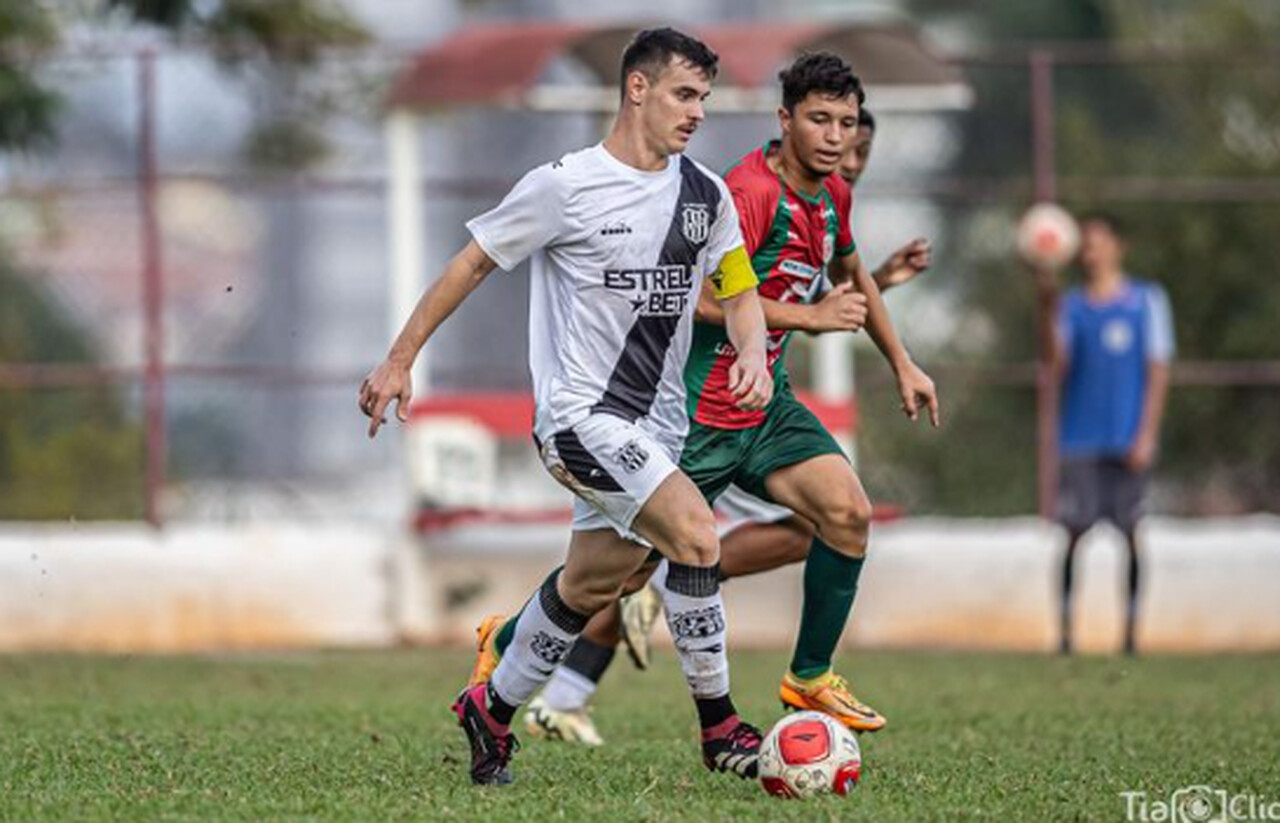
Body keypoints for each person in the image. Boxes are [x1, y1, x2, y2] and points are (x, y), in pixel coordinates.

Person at [359, 27, 774, 785]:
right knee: (695, 532)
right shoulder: (564, 184)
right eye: (684, 94)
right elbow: (471, 262)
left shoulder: (707, 196)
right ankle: (720, 729)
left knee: (591, 584)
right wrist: (399, 357)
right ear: (637, 89)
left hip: (657, 429)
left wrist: (751, 351)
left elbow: (739, 289)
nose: (697, 113)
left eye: (705, 99)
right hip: (579, 419)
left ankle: (489, 709)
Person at [520, 56, 940, 746]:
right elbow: (712, 299)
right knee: (612, 576)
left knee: (841, 513)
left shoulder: (833, 195)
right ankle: (520, 656)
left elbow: (843, 281)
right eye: (822, 122)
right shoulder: (744, 193)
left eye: (849, 130)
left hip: (765, 406)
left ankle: (808, 673)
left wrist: (902, 359)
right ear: (786, 120)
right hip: (693, 411)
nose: (839, 143)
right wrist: (813, 317)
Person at [1041, 212, 1174, 655]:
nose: (1090, 251)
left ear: (1119, 246)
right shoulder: (1071, 306)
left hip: (1126, 438)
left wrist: (1146, 434)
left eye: (1098, 242)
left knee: (1132, 531)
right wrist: (1047, 306)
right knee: (1074, 532)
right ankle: (1064, 634)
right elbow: (1059, 365)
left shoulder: (1146, 302)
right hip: (1080, 439)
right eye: (1086, 244)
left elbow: (1157, 370)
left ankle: (1132, 633)